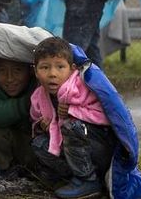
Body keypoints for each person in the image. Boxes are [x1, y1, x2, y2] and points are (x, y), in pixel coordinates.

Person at [30, 37, 117, 199]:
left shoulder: (82, 88)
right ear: (36, 71)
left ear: (72, 69)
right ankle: (73, 178)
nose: (52, 74)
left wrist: (73, 110)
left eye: (60, 67)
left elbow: (106, 117)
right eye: (45, 67)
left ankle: (88, 181)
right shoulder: (38, 96)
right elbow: (35, 119)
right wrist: (41, 125)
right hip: (74, 153)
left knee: (72, 126)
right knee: (38, 143)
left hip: (99, 149)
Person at [0, 58, 37, 173]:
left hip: (35, 145)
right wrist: (29, 102)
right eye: (2, 71)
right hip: (10, 141)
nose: (9, 78)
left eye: (17, 70)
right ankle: (6, 170)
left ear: (31, 71)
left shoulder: (39, 84)